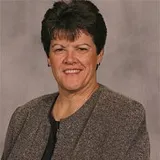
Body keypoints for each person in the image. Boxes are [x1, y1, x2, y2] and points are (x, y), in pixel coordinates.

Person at [1, 0, 150, 160]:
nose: (70, 59)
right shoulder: (24, 117)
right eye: (59, 49)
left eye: (81, 49)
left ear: (99, 54)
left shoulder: (124, 116)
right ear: (48, 57)